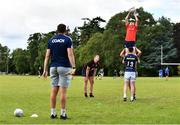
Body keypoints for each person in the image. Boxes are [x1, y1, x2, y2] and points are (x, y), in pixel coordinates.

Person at [42, 24, 76, 120]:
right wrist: (73, 66)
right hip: (64, 67)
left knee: (54, 91)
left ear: (57, 30)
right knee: (63, 92)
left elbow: (47, 56)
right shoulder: (67, 39)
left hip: (53, 67)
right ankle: (63, 114)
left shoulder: (51, 40)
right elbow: (70, 54)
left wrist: (44, 70)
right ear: (65, 30)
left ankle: (53, 113)